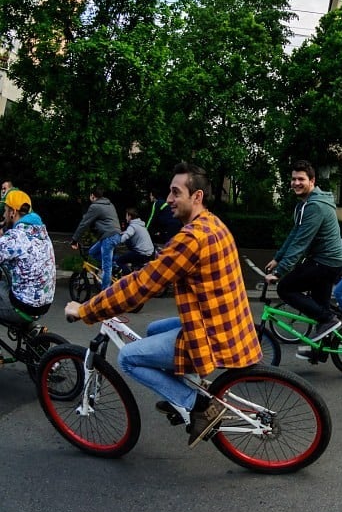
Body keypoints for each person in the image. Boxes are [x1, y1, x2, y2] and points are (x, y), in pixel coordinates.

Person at [65, 163, 262, 447]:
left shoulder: (190, 239)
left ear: (196, 197)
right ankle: (185, 388)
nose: (168, 199)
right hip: (228, 322)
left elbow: (141, 286)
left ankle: (199, 405)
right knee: (156, 327)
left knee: (128, 358)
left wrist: (86, 310)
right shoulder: (212, 223)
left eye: (175, 192)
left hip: (211, 334)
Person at [264, 160, 342, 347]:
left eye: (301, 179)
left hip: (325, 263)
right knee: (319, 310)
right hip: (327, 262)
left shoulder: (315, 207)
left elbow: (301, 243)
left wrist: (279, 272)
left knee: (285, 288)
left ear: (312, 181)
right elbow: (295, 234)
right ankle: (321, 350)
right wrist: (278, 258)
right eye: (293, 179)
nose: (296, 183)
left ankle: (329, 319)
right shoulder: (305, 204)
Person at [0, 190, 55, 327]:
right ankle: (31, 329)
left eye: (5, 210)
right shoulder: (41, 231)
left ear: (13, 212)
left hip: (24, 308)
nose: (3, 214)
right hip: (44, 305)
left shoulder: (15, 236)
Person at [70, 187, 122, 290]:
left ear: (92, 196)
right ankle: (115, 264)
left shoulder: (95, 206)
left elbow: (84, 223)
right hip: (115, 235)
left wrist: (75, 239)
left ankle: (104, 294)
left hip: (108, 237)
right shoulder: (110, 204)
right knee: (92, 252)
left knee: (106, 267)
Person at [116, 208, 155, 274]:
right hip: (150, 253)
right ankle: (134, 268)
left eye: (126, 216)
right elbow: (133, 232)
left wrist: (117, 241)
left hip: (141, 254)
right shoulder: (140, 225)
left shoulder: (132, 226)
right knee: (130, 254)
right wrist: (125, 232)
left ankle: (128, 275)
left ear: (130, 216)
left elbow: (126, 236)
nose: (126, 218)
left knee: (119, 261)